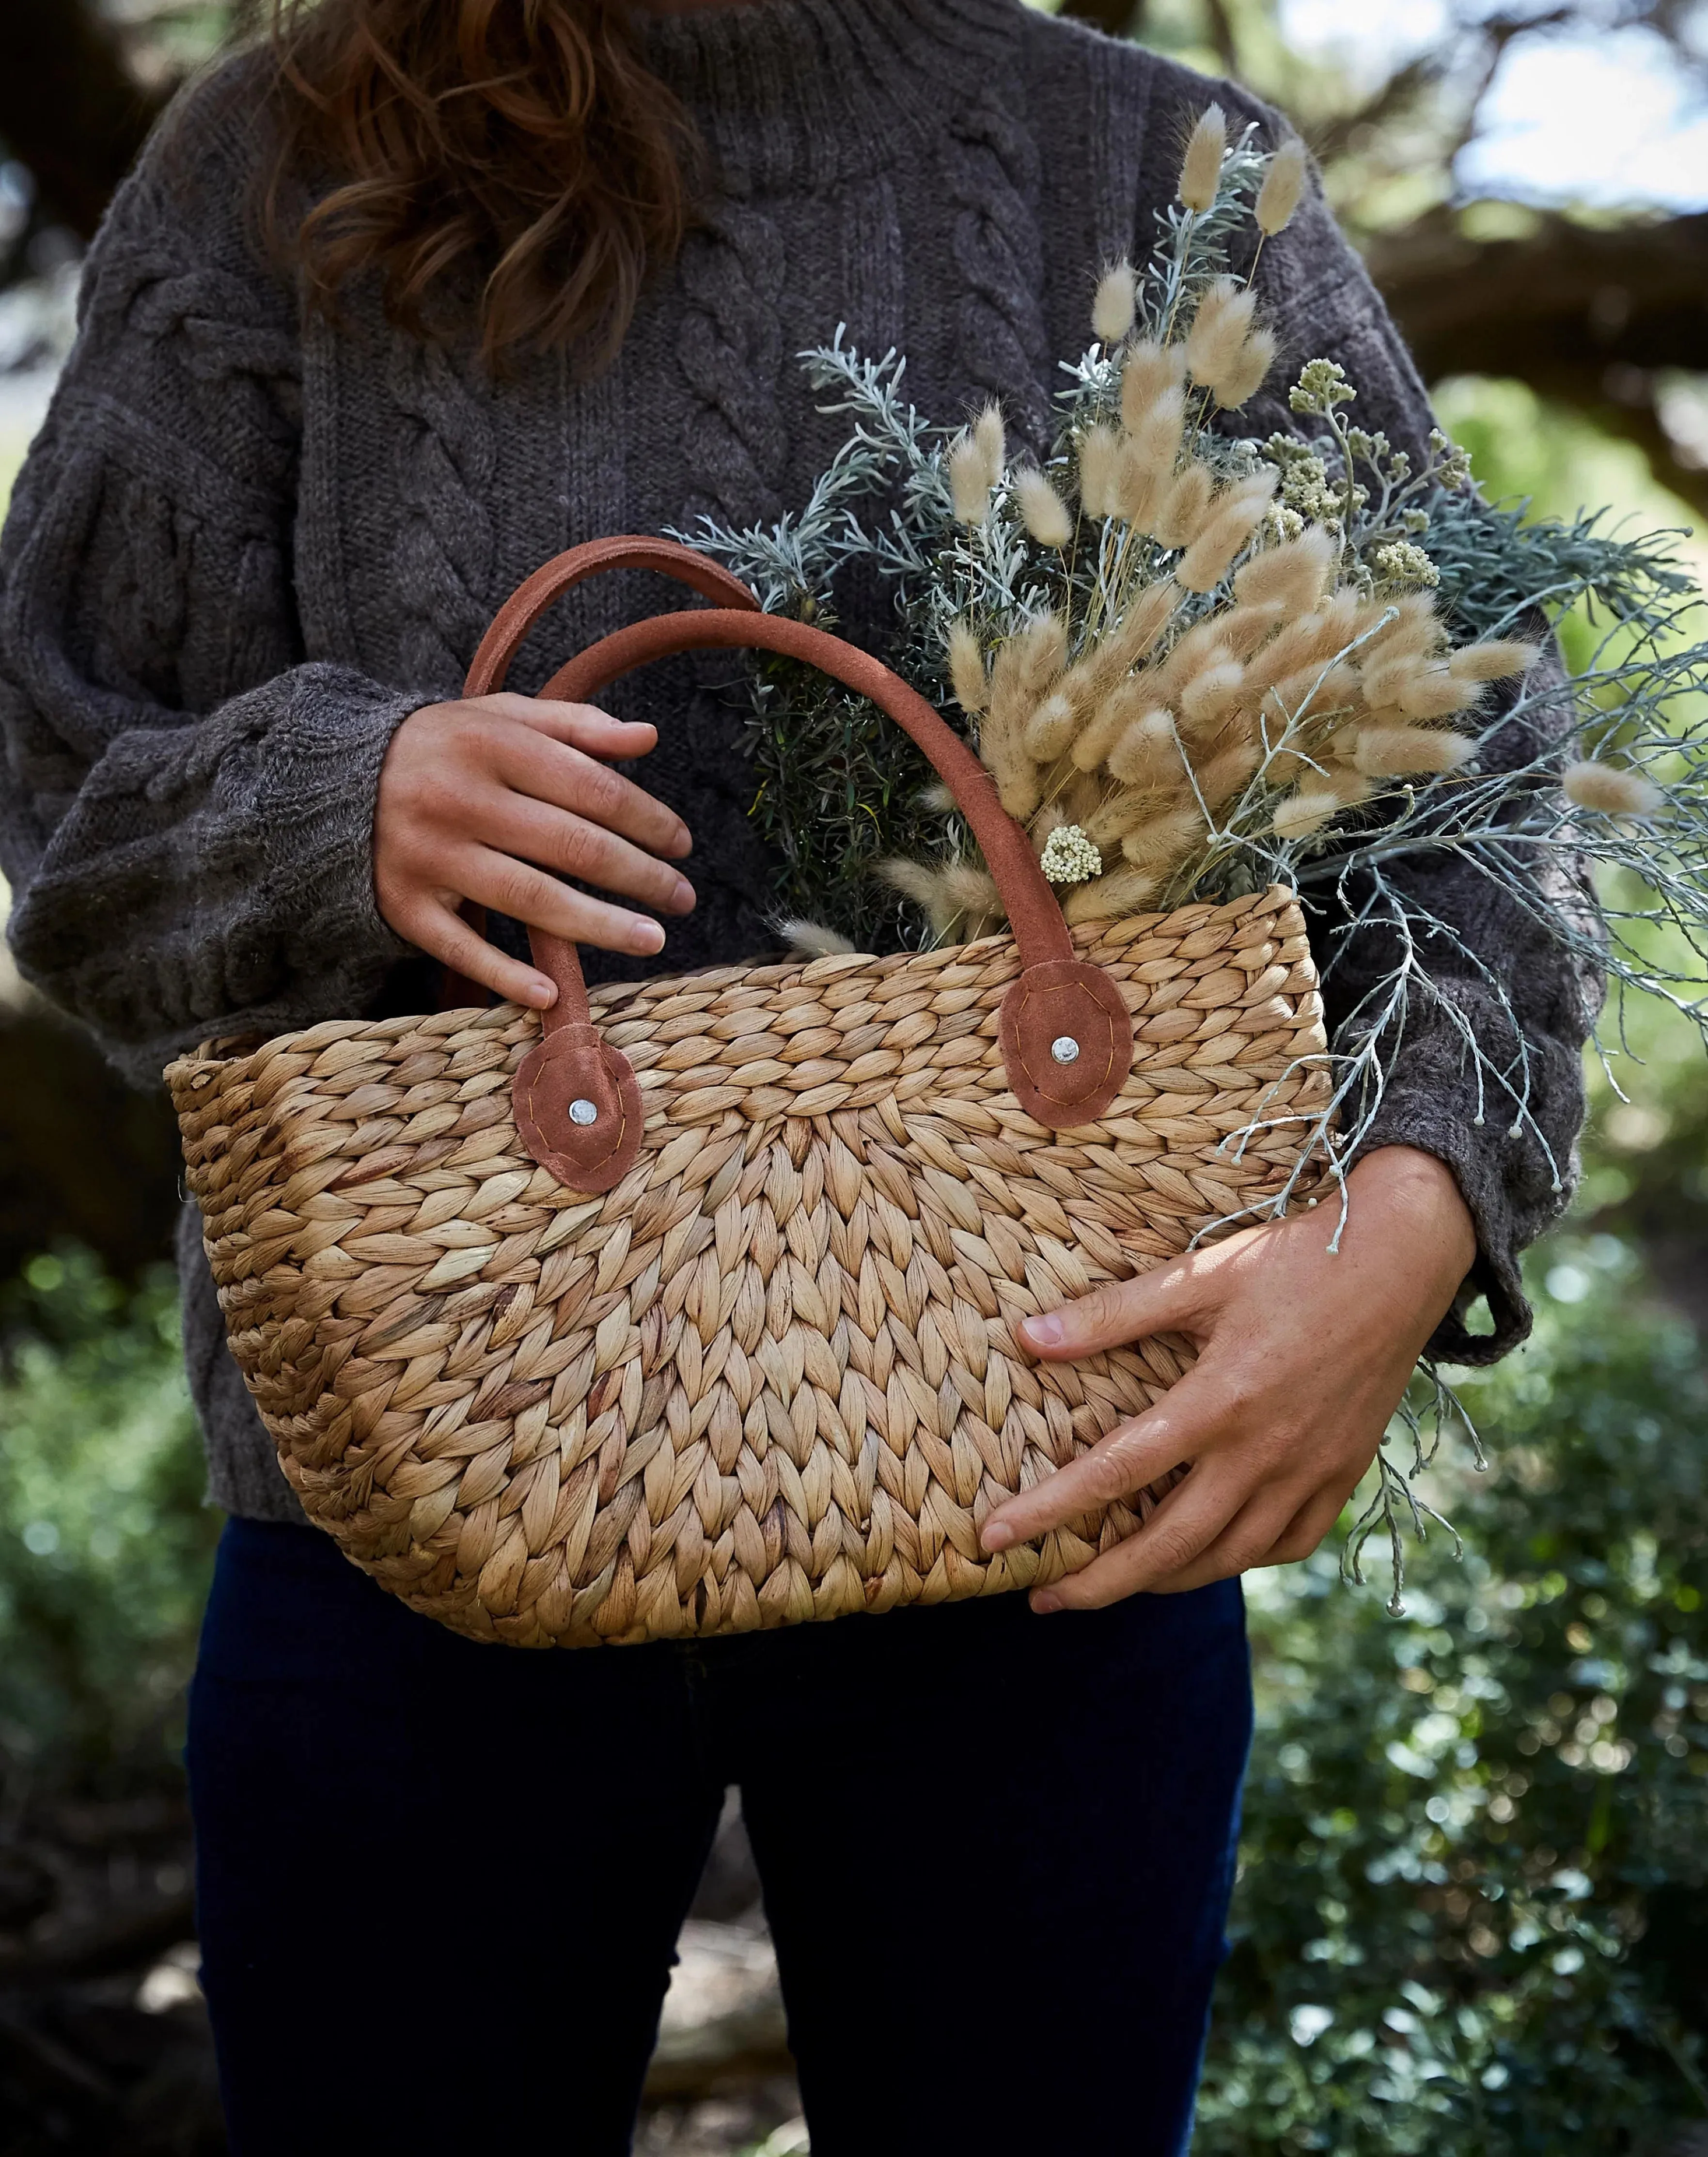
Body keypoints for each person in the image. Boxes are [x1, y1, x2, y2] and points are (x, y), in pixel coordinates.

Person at [0, 0, 1591, 2149]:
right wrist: (337, 799)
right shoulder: (270, 168)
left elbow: (1473, 760)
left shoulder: (1159, 168)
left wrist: (1411, 1213)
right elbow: (58, 801)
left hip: (1054, 1498)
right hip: (403, 1516)